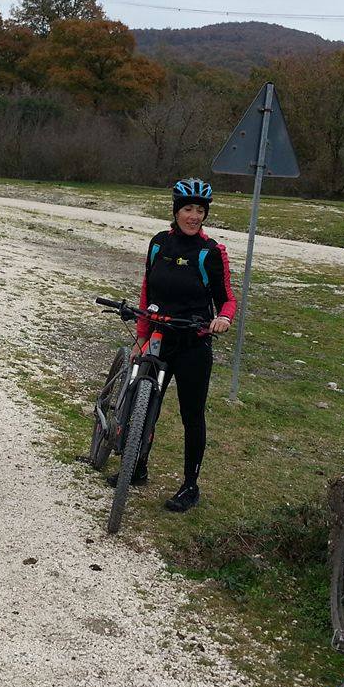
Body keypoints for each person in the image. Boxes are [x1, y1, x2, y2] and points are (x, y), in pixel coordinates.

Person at [114, 178, 236, 513]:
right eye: (188, 209)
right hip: (158, 338)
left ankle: (190, 485)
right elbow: (147, 291)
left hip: (193, 343)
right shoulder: (158, 244)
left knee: (191, 415)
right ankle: (136, 466)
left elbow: (227, 299)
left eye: (200, 210)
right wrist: (141, 336)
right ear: (176, 211)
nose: (194, 216)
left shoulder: (211, 252)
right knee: (144, 402)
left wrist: (223, 318)